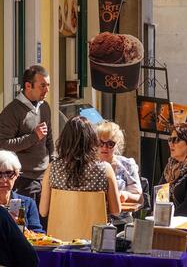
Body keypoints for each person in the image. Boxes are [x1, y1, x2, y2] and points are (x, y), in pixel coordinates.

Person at [39, 117, 121, 224]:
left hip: (59, 237)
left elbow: (43, 211)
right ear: (92, 140)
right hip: (95, 237)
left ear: (64, 140)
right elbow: (116, 211)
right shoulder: (105, 169)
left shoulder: (53, 168)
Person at [0, 65, 54, 212]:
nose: (47, 90)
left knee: (42, 225)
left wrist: (53, 161)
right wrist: (33, 137)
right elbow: (3, 145)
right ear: (28, 86)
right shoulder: (11, 112)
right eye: (42, 85)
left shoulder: (45, 107)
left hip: (45, 177)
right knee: (24, 225)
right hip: (23, 180)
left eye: (48, 85)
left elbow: (49, 137)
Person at [96, 121, 143, 230]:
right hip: (94, 221)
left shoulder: (126, 165)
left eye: (110, 144)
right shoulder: (89, 164)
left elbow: (140, 198)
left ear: (117, 145)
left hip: (121, 223)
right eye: (100, 143)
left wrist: (125, 195)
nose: (104, 147)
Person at [0, 150, 43, 232]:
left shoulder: (28, 203)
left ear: (16, 175)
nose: (3, 180)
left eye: (9, 174)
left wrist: (21, 228)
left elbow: (38, 234)